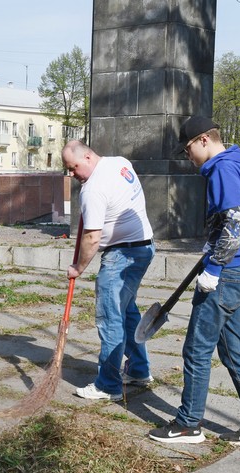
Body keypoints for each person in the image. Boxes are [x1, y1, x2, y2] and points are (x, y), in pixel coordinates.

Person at [148, 116, 240, 448]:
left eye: (188, 148)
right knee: (235, 352)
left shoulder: (222, 168)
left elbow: (236, 221)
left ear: (204, 140)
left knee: (196, 349)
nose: (188, 156)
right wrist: (220, 236)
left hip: (228, 275)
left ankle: (189, 424)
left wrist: (215, 267)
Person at [62, 140, 155, 402]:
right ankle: (138, 370)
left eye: (74, 167)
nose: (72, 174)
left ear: (88, 157)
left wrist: (77, 268)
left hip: (122, 257)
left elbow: (92, 237)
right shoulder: (119, 163)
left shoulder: (92, 190)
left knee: (110, 317)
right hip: (144, 248)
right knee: (126, 312)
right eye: (69, 169)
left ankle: (108, 385)